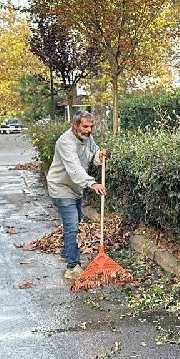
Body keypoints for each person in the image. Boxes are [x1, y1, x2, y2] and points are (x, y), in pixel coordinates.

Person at [46, 111, 107, 281]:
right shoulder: (65, 142)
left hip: (76, 187)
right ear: (75, 125)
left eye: (91, 126)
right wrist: (92, 183)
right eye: (85, 126)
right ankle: (72, 267)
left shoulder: (88, 138)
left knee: (76, 219)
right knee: (72, 225)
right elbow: (74, 168)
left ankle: (66, 252)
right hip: (60, 187)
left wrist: (99, 156)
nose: (89, 130)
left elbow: (93, 154)